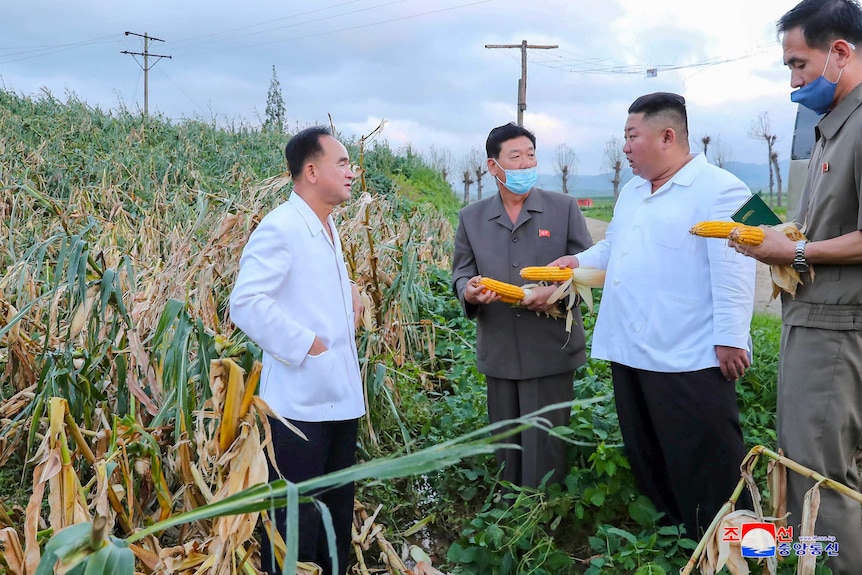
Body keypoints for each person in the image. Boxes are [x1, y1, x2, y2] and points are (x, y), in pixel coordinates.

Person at [548, 93, 756, 540]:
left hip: (689, 352)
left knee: (705, 459)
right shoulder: (632, 190)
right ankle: (679, 541)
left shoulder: (724, 188)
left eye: (631, 136)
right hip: (631, 346)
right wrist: (577, 261)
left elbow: (736, 268)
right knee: (649, 451)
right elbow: (614, 247)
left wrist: (732, 337)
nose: (624, 147)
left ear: (667, 136)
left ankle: (738, 548)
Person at [731, 1, 862, 571]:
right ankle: (807, 555)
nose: (794, 80)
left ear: (840, 52)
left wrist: (798, 250)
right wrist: (779, 240)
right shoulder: (831, 129)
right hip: (813, 321)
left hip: (837, 329)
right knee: (808, 468)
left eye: (798, 63)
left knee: (821, 483)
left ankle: (837, 561)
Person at [229, 126, 365, 575]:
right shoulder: (282, 226)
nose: (351, 172)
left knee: (333, 520)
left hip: (338, 399)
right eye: (341, 163)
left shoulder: (326, 227)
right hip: (300, 411)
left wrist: (350, 298)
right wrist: (310, 345)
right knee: (296, 530)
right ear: (311, 170)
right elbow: (246, 304)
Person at [451, 122, 593, 489]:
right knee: (507, 445)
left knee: (547, 446)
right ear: (493, 166)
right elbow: (462, 272)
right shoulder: (472, 218)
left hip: (551, 347)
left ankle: (545, 513)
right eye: (515, 157)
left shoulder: (562, 209)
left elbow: (588, 267)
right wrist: (469, 291)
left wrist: (557, 292)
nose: (526, 163)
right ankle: (510, 513)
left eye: (531, 155)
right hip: (499, 347)